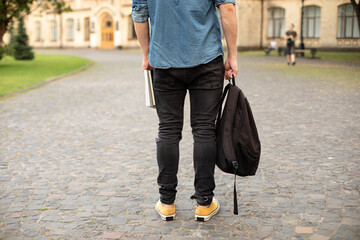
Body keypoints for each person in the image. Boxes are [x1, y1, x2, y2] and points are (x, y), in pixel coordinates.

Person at [132, 0, 238, 222]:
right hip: (206, 58)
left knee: (168, 130)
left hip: (164, 60)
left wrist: (146, 54)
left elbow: (140, 14)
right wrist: (233, 56)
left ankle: (167, 203)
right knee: (204, 130)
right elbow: (227, 7)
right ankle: (204, 204)